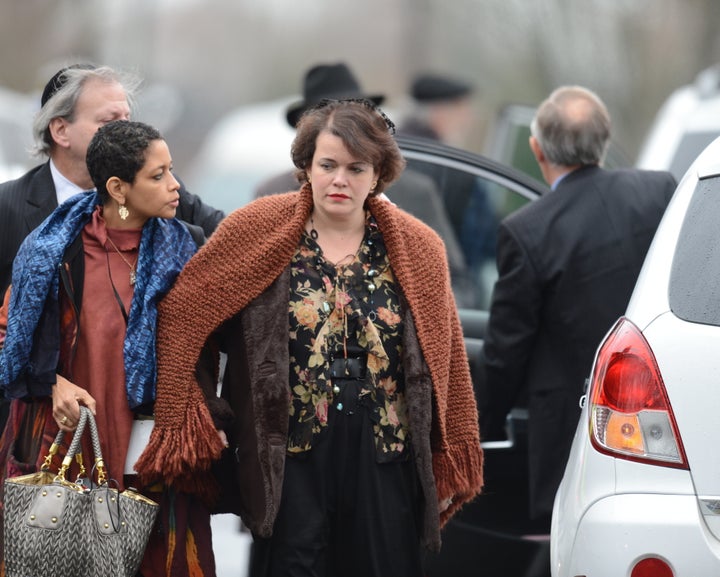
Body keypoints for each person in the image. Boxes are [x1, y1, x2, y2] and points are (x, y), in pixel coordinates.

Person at [136, 98, 484, 577]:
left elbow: (447, 357)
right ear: (306, 166)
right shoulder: (256, 229)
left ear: (378, 173)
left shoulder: (418, 245)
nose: (340, 180)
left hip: (386, 455)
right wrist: (200, 412)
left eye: (356, 167)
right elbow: (182, 313)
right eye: (328, 165)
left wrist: (449, 451)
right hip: (291, 454)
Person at [0, 120, 220, 576]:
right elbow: (6, 335)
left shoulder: (188, 249)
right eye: (157, 176)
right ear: (118, 188)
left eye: (171, 170)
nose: (175, 186)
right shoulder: (54, 250)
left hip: (156, 456)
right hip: (63, 448)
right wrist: (51, 382)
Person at [481, 85, 677, 527]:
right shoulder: (660, 190)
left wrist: (480, 431)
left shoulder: (526, 230)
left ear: (536, 149)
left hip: (578, 427)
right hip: (666, 411)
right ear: (604, 139)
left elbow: (506, 350)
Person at [0, 63, 225, 301]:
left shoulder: (159, 190)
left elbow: (232, 237)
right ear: (61, 131)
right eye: (109, 121)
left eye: (127, 118)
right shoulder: (8, 207)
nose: (125, 131)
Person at [255, 62, 472, 306]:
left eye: (351, 120)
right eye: (327, 166)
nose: (340, 180)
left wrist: (414, 313)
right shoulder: (271, 195)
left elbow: (454, 284)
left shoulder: (416, 193)